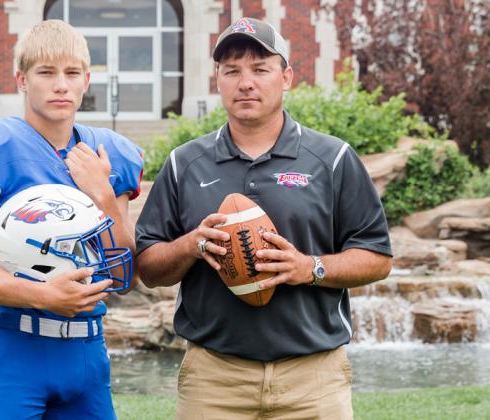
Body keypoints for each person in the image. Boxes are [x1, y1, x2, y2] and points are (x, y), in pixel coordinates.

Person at [135, 17, 393, 419]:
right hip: (213, 378)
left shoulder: (333, 159)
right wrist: (192, 244)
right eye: (232, 71)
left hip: (313, 379)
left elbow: (378, 258)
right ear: (217, 79)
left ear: (286, 77)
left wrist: (309, 267)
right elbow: (149, 269)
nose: (246, 82)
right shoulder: (184, 163)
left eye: (260, 69)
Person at [0, 20, 143, 419]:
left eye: (70, 74)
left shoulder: (108, 154)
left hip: (87, 350)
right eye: (46, 73)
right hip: (13, 346)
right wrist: (42, 295)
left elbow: (125, 276)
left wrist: (102, 194)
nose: (60, 86)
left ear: (87, 80)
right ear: (22, 79)